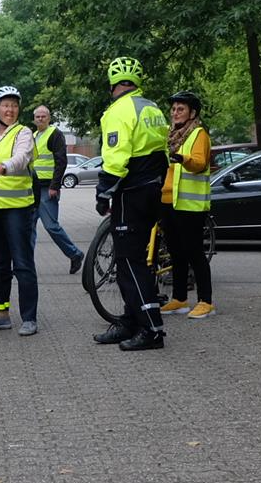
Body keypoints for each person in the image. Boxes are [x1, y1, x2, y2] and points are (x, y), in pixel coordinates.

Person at [92, 56, 170, 351]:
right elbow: (163, 151)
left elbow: (116, 158)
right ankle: (129, 321)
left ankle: (152, 330)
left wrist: (102, 193)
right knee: (134, 258)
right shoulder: (152, 108)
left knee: (130, 261)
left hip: (130, 191)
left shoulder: (118, 111)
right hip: (151, 190)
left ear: (113, 84)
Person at [0, 86, 40, 335]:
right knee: (0, 263)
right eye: (5, 105)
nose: (10, 109)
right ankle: (2, 314)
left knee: (22, 263)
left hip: (17, 210)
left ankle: (29, 318)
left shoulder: (23, 133)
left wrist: (4, 165)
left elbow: (22, 158)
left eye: (14, 105)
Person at [161, 91, 215, 319]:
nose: (175, 113)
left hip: (190, 205)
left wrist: (183, 158)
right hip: (167, 201)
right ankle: (179, 299)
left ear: (192, 113)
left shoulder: (198, 134)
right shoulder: (169, 136)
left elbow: (200, 163)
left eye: (180, 109)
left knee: (194, 253)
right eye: (173, 109)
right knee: (175, 253)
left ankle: (206, 301)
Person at [28, 103, 82, 273]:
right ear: (34, 119)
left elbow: (61, 161)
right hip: (32, 189)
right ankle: (26, 264)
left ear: (49, 118)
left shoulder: (55, 134)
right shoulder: (34, 135)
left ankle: (75, 254)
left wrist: (55, 186)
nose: (40, 119)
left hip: (47, 188)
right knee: (28, 228)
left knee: (51, 226)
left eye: (43, 116)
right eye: (38, 116)